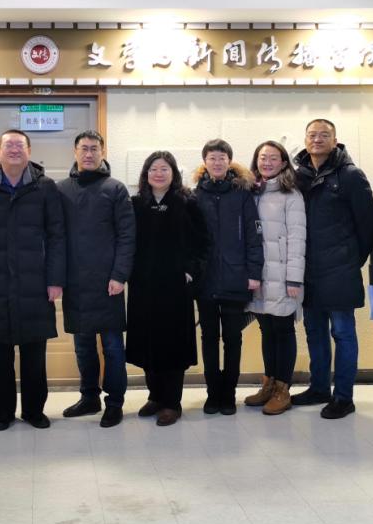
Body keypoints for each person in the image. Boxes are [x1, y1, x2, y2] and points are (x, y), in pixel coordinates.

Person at [0, 129, 66, 431]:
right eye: (8, 145)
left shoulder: (45, 188)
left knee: (34, 354)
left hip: (35, 283)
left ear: (29, 152)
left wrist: (55, 279)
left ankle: (34, 411)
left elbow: (57, 236)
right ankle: (3, 412)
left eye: (20, 145)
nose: (14, 150)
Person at [292, 119, 373, 419]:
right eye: (312, 134)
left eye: (324, 135)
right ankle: (319, 388)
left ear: (335, 139)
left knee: (342, 333)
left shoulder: (351, 175)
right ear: (305, 139)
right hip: (308, 270)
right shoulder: (298, 175)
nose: (317, 139)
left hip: (340, 269)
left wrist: (351, 259)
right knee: (314, 332)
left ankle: (343, 396)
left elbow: (368, 225)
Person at [57, 130, 136, 428]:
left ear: (103, 152)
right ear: (75, 152)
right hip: (75, 283)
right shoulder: (61, 189)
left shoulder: (115, 189)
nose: (88, 154)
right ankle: (89, 397)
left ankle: (114, 403)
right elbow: (55, 236)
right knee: (83, 346)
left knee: (113, 347)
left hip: (108, 283)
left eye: (94, 149)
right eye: (84, 148)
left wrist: (119, 275)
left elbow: (127, 236)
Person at [126, 151, 210, 426]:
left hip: (175, 286)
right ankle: (155, 396)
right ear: (146, 174)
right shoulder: (136, 204)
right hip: (143, 285)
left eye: (164, 169)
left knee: (172, 343)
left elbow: (202, 243)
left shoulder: (187, 203)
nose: (158, 173)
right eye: (153, 169)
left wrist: (190, 271)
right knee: (148, 342)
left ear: (173, 173)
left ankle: (172, 403)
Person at [191, 139, 263, 415]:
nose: (217, 162)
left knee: (233, 338)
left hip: (236, 278)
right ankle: (213, 394)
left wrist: (254, 273)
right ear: (205, 162)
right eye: (212, 157)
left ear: (229, 161)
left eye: (222, 157)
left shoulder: (242, 194)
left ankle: (229, 394)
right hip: (205, 280)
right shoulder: (195, 195)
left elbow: (254, 236)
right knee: (209, 338)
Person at [243, 140, 306, 416]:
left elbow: (298, 239)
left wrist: (294, 279)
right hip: (258, 275)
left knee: (283, 330)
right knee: (266, 330)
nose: (267, 162)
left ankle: (283, 389)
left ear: (283, 163)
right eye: (262, 157)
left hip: (282, 276)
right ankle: (268, 384)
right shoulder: (251, 192)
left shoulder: (291, 195)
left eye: (273, 158)